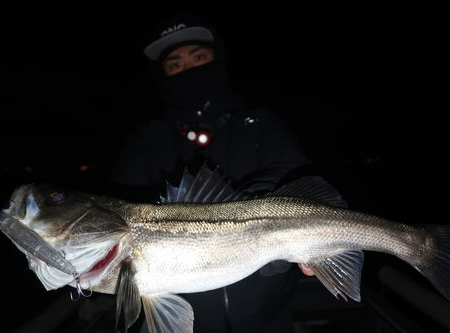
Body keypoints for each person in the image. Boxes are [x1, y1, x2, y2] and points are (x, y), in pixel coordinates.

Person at [109, 14, 312, 333]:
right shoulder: (146, 138)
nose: (188, 69)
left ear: (218, 61)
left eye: (199, 57)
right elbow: (119, 209)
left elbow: (294, 174)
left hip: (267, 317)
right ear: (163, 76)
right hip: (180, 313)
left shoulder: (261, 123)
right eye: (175, 65)